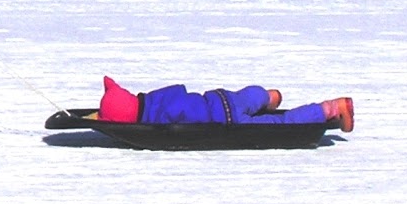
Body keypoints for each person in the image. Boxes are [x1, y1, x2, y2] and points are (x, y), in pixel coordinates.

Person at [98, 76, 354, 132]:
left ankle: (331, 109)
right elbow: (181, 91)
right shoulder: (155, 97)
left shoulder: (157, 117)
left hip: (229, 120)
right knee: (248, 96)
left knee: (279, 124)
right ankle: (267, 96)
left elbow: (182, 121)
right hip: (221, 98)